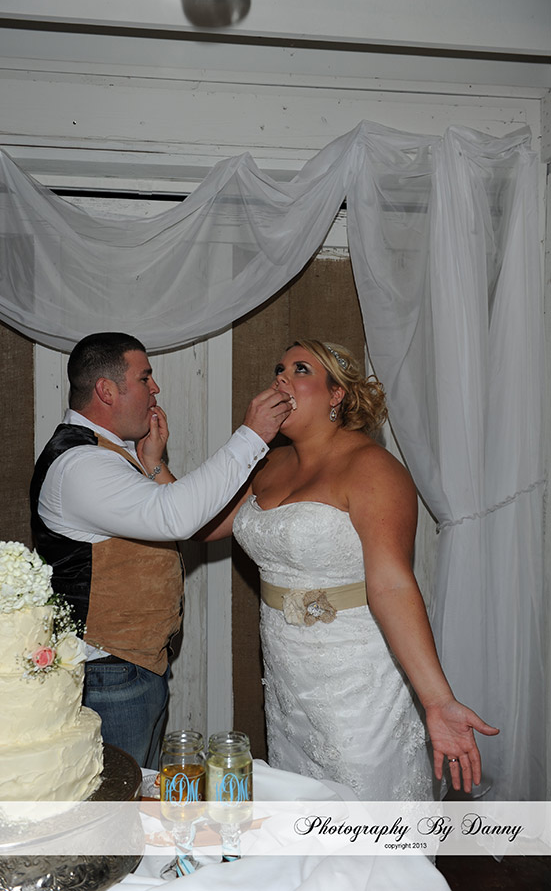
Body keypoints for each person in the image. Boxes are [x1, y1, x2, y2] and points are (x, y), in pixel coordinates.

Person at [202, 339, 499, 799]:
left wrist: (438, 701)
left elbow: (392, 584)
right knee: (301, 803)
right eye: (279, 369)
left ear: (336, 394)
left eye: (300, 369)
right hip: (286, 674)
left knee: (361, 799)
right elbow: (203, 526)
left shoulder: (372, 469)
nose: (281, 378)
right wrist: (154, 462)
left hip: (357, 678)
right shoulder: (268, 463)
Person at [30, 332, 291, 769]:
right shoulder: (80, 465)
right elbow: (177, 517)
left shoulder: (106, 454)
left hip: (128, 667)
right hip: (106, 671)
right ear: (106, 391)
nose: (156, 388)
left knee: (139, 794)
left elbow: (176, 517)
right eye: (144, 377)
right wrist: (251, 436)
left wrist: (152, 462)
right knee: (119, 800)